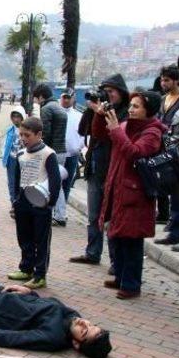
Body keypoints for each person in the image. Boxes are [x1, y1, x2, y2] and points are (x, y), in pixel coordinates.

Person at [97, 91, 165, 299]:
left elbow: (135, 152)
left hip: (135, 194)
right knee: (116, 236)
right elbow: (102, 136)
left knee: (132, 240)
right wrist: (100, 117)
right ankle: (120, 276)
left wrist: (117, 129)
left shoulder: (153, 132)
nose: (131, 109)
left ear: (148, 110)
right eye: (131, 105)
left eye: (136, 106)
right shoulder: (126, 125)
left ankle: (131, 284)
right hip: (117, 188)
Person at [69, 74, 130, 273]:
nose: (108, 96)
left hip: (113, 171)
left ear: (121, 92)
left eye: (111, 92)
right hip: (95, 168)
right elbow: (90, 133)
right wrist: (95, 112)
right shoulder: (102, 109)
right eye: (106, 92)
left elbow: (116, 139)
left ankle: (116, 262)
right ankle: (93, 252)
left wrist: (106, 115)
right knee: (94, 215)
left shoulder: (126, 114)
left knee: (112, 218)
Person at [7, 117, 61, 289]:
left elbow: (55, 180)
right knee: (24, 237)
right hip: (23, 200)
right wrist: (15, 199)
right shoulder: (21, 154)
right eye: (21, 135)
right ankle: (26, 267)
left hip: (40, 203)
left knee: (41, 240)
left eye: (27, 135)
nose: (23, 138)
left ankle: (40, 274)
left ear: (39, 135)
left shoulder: (48, 154)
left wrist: (50, 203)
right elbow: (16, 178)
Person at [32, 84, 68, 227]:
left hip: (52, 151)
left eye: (36, 97)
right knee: (57, 183)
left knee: (53, 184)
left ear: (41, 96)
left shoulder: (46, 109)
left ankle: (58, 215)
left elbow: (44, 133)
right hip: (61, 150)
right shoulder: (59, 107)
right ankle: (60, 213)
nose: (36, 101)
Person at [153, 65, 179, 247]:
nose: (163, 83)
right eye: (162, 80)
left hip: (178, 151)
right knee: (174, 194)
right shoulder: (163, 100)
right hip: (165, 152)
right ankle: (174, 232)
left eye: (167, 80)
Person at [1, 105, 26, 217]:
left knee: (22, 182)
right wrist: (4, 157)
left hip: (23, 159)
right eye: (14, 116)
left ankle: (21, 204)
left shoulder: (26, 129)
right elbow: (5, 145)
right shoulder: (10, 130)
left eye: (18, 116)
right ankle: (14, 204)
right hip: (11, 159)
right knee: (11, 182)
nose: (16, 119)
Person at [61, 88, 84, 201]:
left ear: (73, 99)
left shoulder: (79, 116)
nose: (65, 100)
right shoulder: (56, 112)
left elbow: (83, 135)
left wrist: (77, 147)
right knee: (54, 184)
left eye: (68, 98)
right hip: (57, 154)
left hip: (72, 155)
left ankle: (62, 210)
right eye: (64, 97)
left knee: (67, 184)